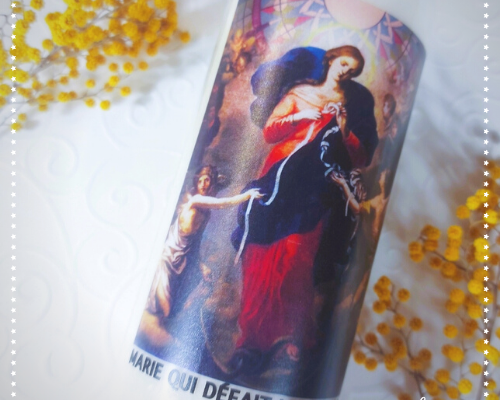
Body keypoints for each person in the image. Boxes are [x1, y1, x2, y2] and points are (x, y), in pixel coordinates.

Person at [232, 45, 378, 363]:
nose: (345, 71)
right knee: (261, 250)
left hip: (315, 184)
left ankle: (289, 332)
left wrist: (344, 128)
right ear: (331, 60)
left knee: (299, 253)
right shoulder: (300, 93)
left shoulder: (347, 106)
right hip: (281, 174)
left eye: (352, 70)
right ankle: (252, 336)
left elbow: (358, 158)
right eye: (343, 63)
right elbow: (270, 132)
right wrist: (299, 116)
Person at [146, 165, 262, 321]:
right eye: (200, 181)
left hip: (184, 259)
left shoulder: (205, 213)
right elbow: (221, 203)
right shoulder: (195, 200)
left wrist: (202, 265)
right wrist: (246, 196)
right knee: (165, 308)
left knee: (179, 302)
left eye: (206, 180)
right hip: (169, 258)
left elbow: (196, 241)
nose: (202, 184)